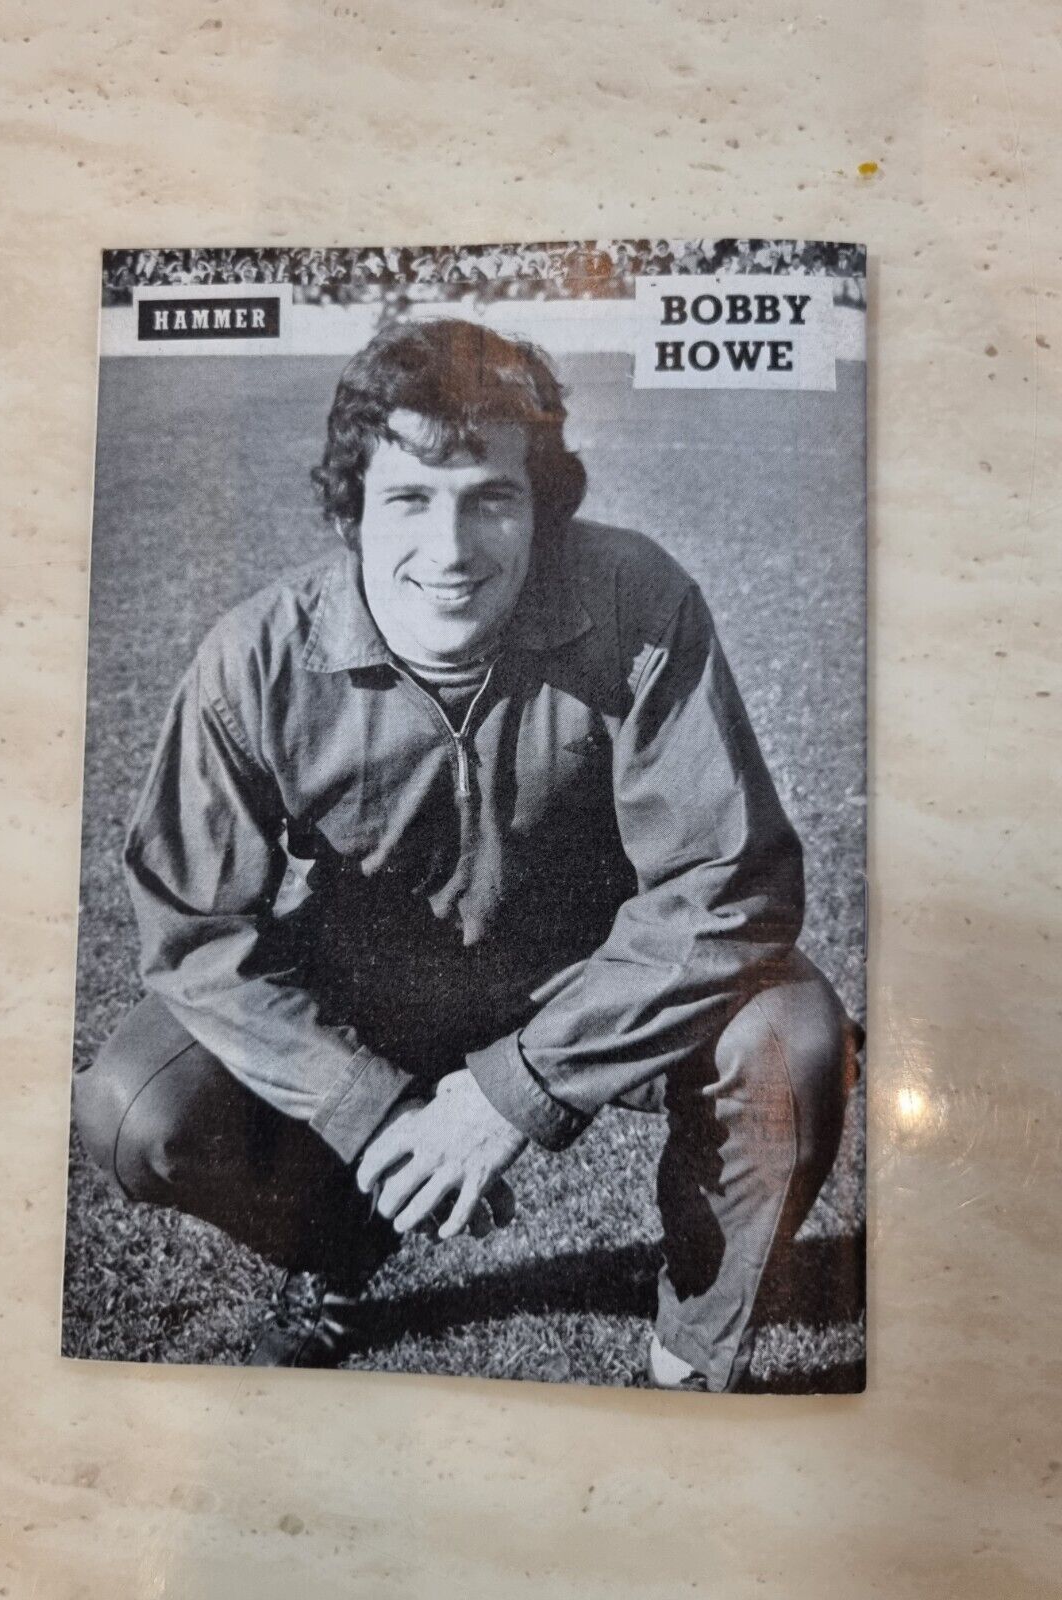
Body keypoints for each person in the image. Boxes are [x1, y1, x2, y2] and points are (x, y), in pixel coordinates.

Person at [73, 316, 859, 1391]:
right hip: (372, 980)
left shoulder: (636, 600)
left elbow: (729, 881)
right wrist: (366, 1107)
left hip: (590, 968)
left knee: (792, 1042)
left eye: (490, 498)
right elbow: (195, 930)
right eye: (408, 499)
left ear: (543, 504)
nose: (449, 551)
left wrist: (507, 1095)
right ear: (351, 509)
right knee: (134, 1105)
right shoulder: (255, 658)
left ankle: (692, 1352)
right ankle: (344, 1247)